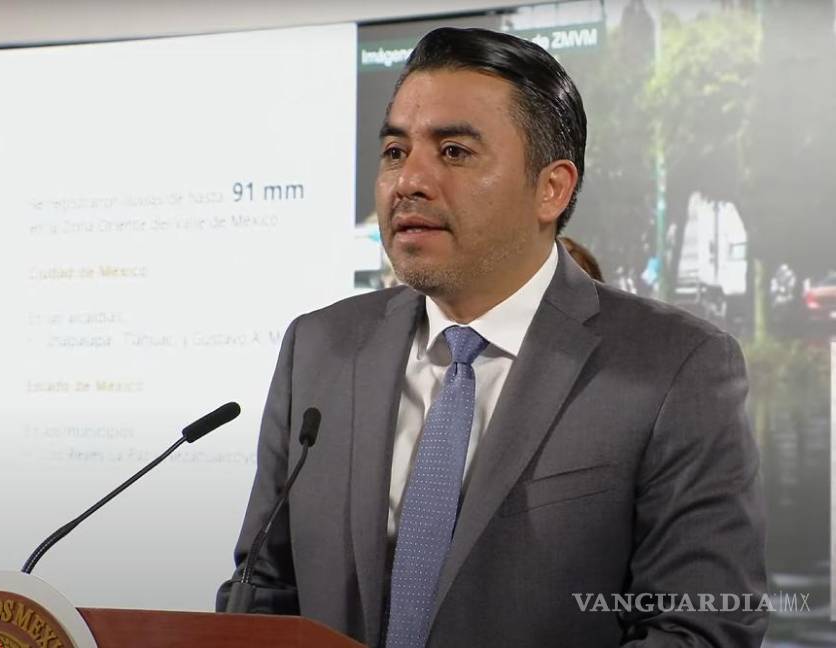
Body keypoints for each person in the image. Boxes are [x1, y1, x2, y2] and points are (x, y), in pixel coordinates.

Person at [218, 27, 766, 647]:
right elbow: (262, 593)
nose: (408, 181)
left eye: (453, 151)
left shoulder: (675, 366)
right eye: (395, 151)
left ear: (551, 189)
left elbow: (698, 627)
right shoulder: (319, 347)